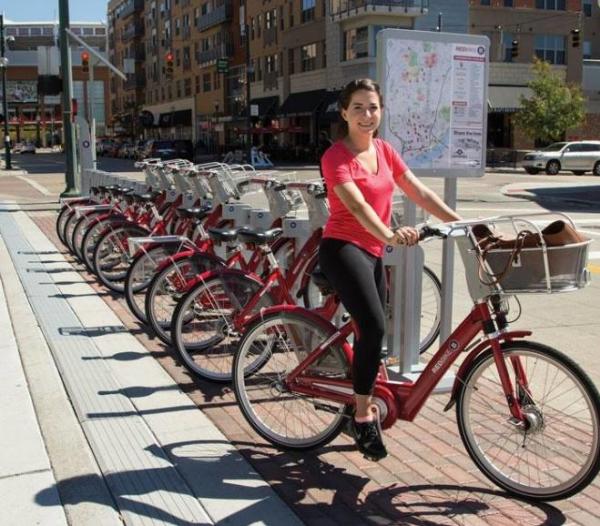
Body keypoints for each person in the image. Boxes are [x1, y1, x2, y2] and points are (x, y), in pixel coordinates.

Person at [319, 78, 461, 461]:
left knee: (374, 328)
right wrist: (391, 235)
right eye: (359, 108)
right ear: (345, 113)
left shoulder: (385, 150)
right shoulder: (336, 157)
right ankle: (362, 417)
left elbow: (420, 192)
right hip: (343, 247)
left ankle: (355, 386)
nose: (368, 116)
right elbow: (357, 207)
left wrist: (462, 224)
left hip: (373, 249)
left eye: (374, 108)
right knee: (375, 327)